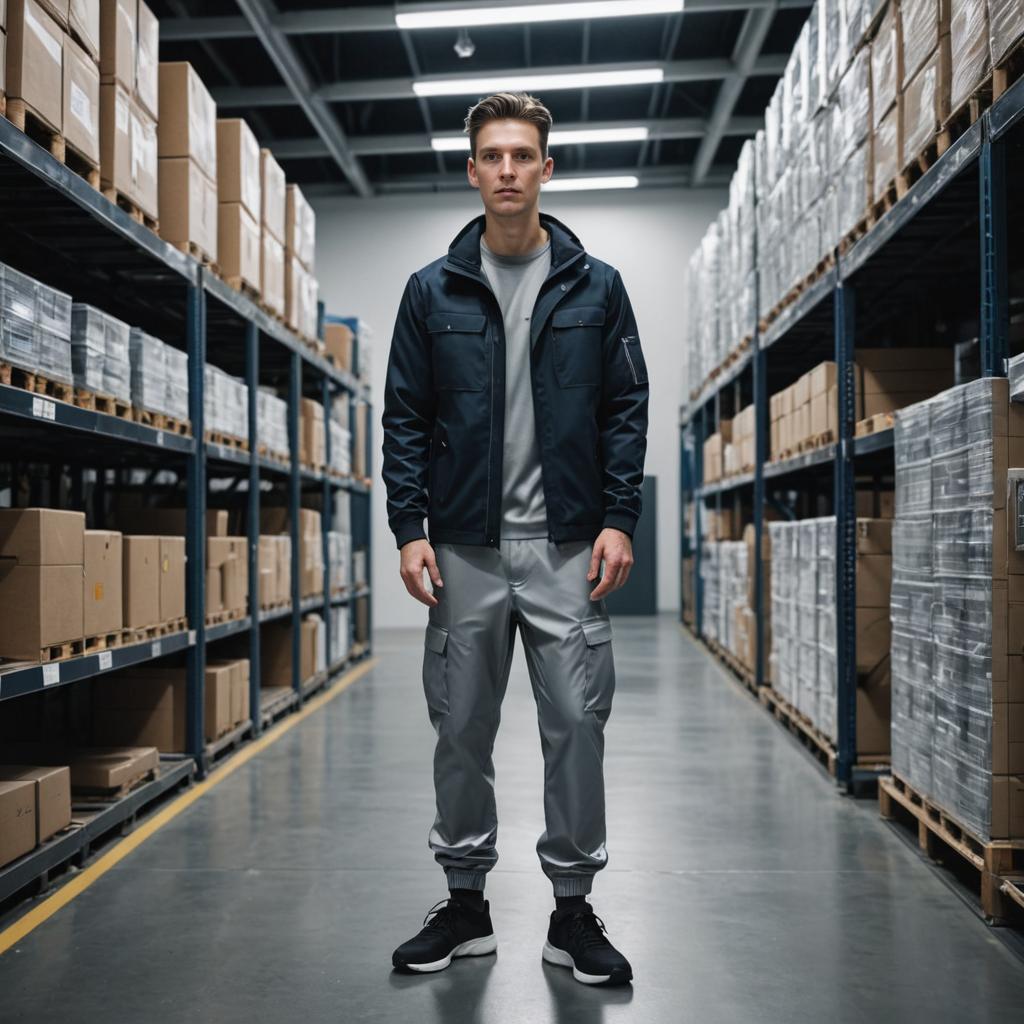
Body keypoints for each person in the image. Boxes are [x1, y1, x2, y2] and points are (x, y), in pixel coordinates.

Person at [380, 92, 649, 987]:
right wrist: (407, 527)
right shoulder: (432, 291)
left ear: (546, 168)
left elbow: (625, 412)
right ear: (471, 170)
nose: (506, 170)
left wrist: (619, 517)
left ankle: (572, 912)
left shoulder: (596, 286)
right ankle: (465, 906)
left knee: (576, 723)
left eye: (522, 155)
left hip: (568, 546)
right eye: (491, 155)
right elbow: (405, 418)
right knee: (460, 725)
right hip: (463, 547)